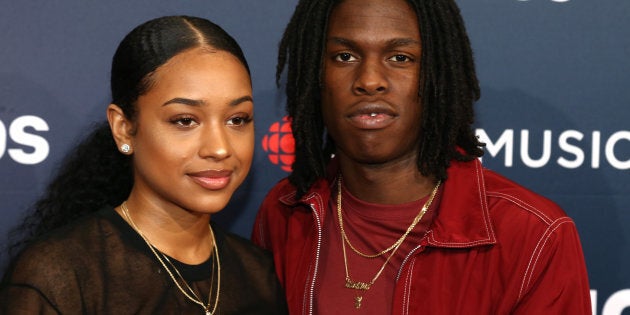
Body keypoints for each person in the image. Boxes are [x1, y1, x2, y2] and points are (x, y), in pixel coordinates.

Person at [252, 0, 591, 314]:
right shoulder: (284, 211)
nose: (370, 81)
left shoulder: (533, 236)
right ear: (314, 76)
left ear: (439, 76)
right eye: (344, 56)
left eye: (400, 57)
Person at [1, 15, 287, 314]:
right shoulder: (59, 276)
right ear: (123, 128)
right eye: (185, 120)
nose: (219, 147)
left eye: (237, 119)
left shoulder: (259, 274)